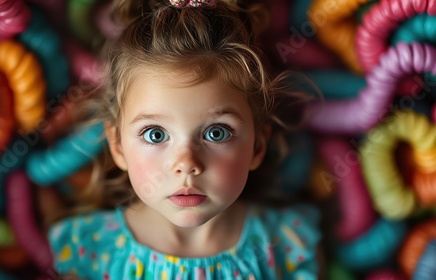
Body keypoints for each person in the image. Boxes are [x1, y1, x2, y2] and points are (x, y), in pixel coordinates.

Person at [48, 0, 322, 279]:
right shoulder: (90, 251)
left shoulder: (287, 245)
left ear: (257, 146)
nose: (186, 163)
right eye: (155, 135)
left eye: (217, 133)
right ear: (118, 146)